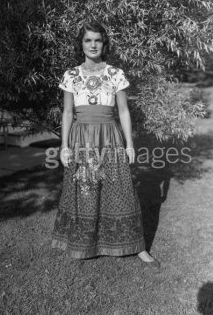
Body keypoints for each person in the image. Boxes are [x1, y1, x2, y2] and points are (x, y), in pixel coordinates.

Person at [51, 21, 159, 270]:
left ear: (103, 43)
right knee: (85, 189)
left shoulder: (115, 73)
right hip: (81, 138)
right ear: (81, 44)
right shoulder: (71, 75)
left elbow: (123, 110)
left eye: (97, 40)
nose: (92, 45)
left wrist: (129, 144)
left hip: (110, 137)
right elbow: (67, 113)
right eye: (87, 40)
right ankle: (84, 244)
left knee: (121, 189)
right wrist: (64, 146)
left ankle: (137, 247)